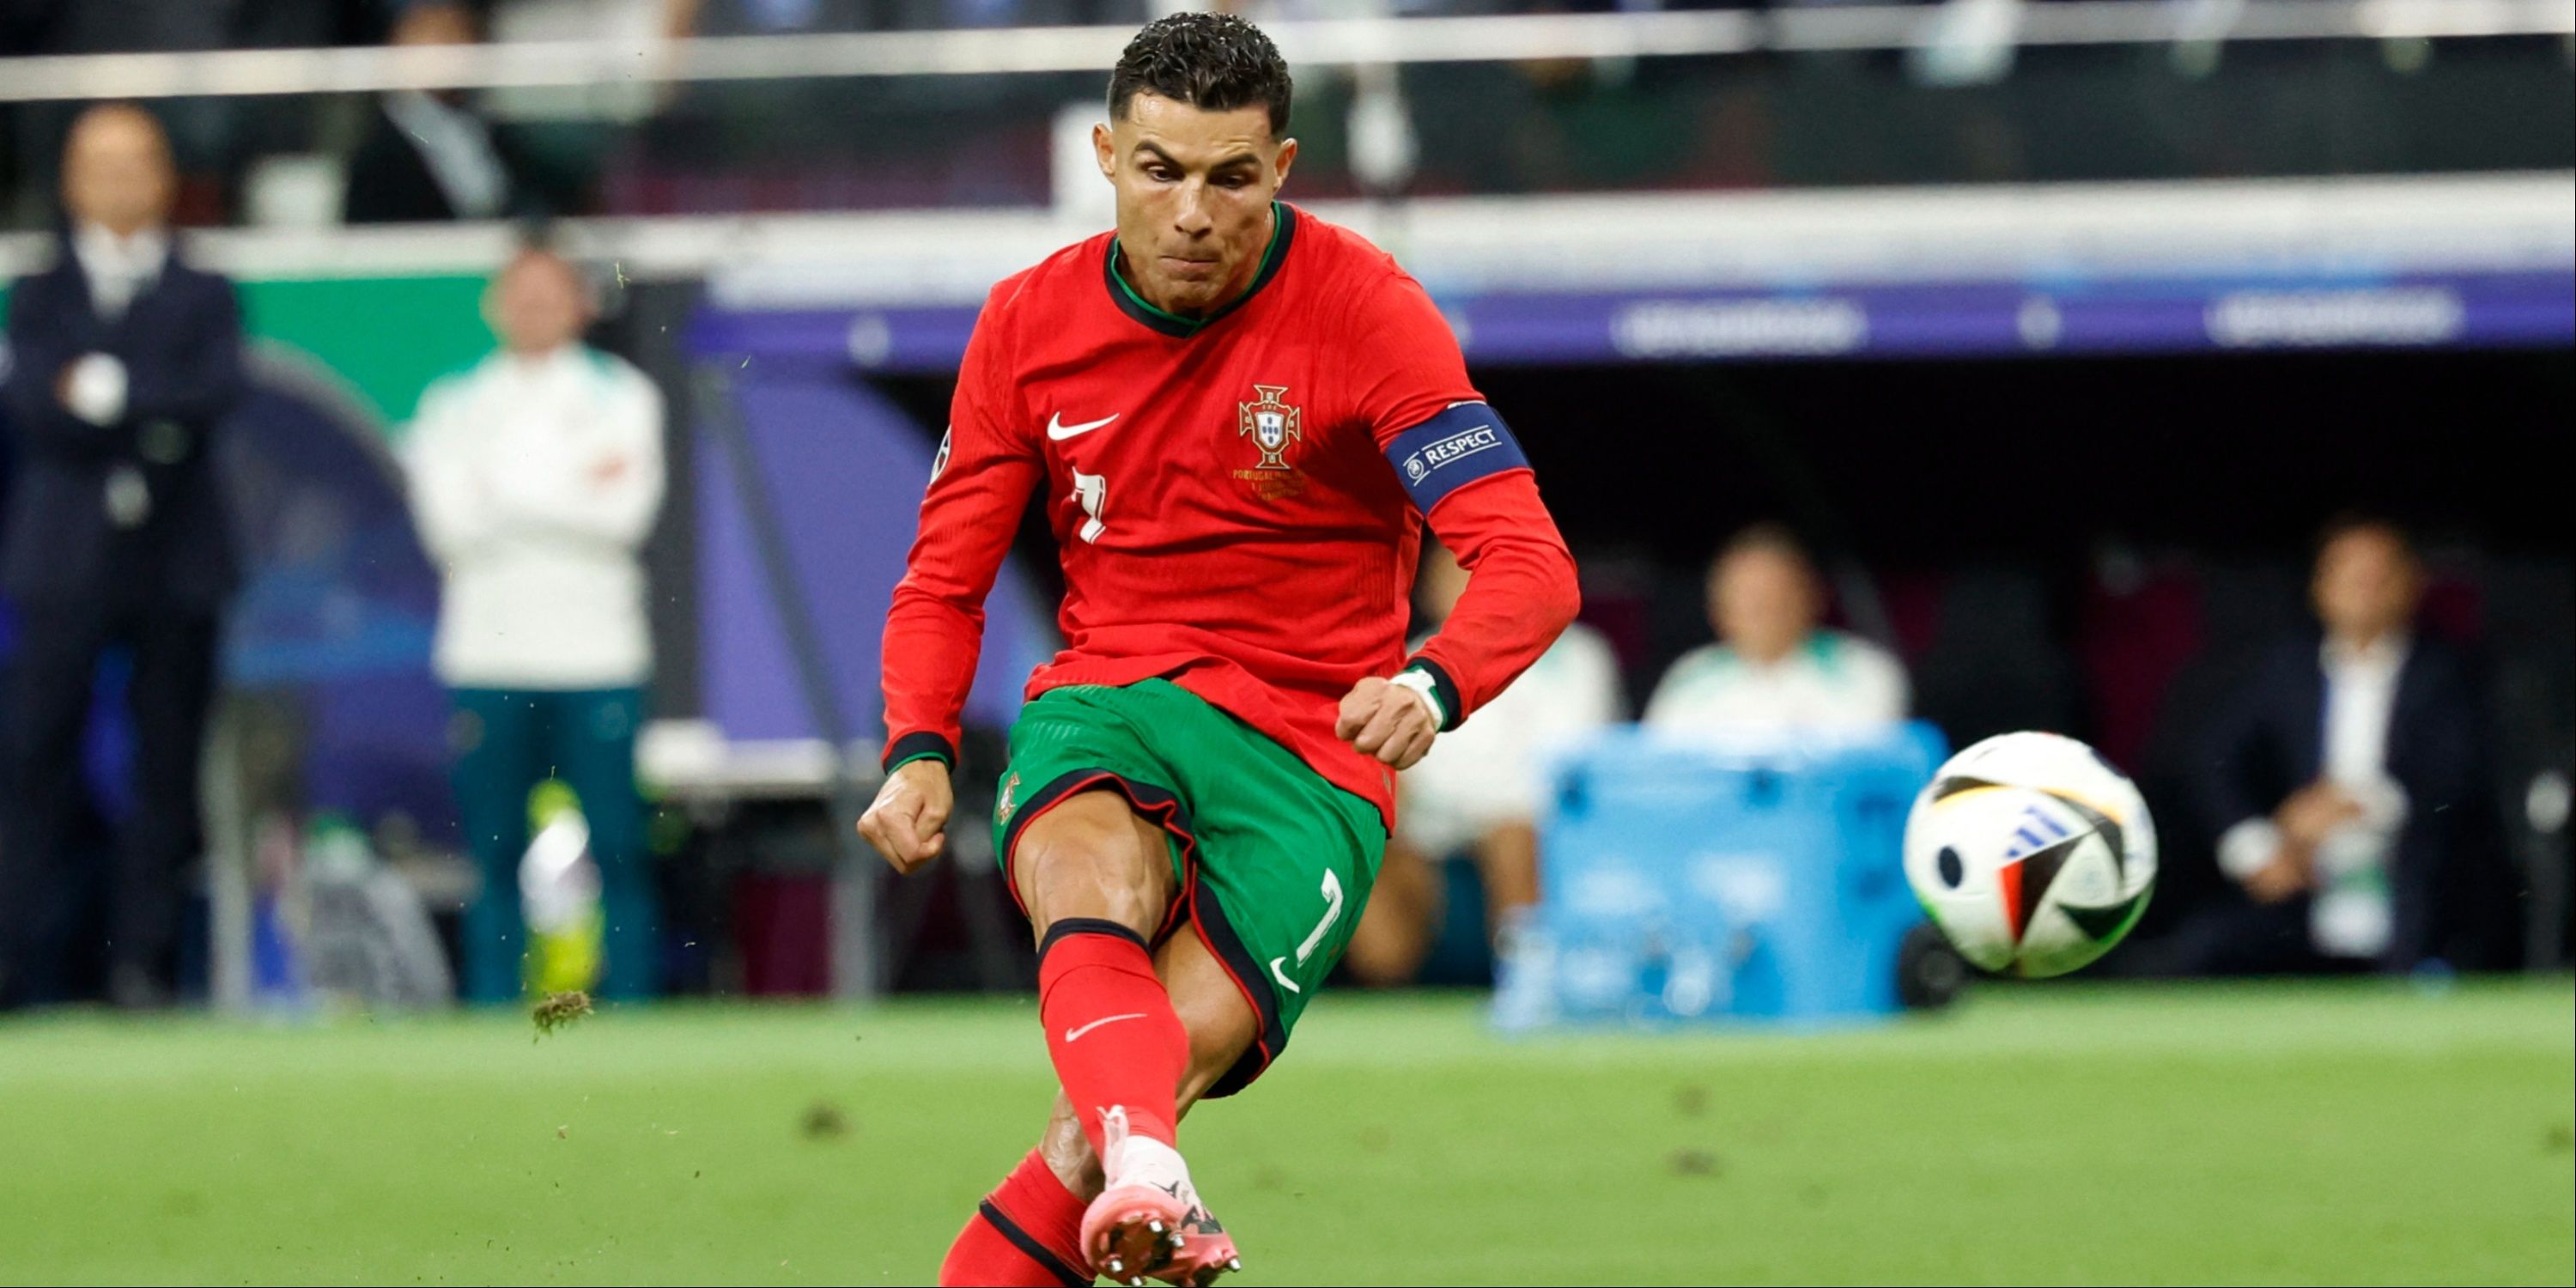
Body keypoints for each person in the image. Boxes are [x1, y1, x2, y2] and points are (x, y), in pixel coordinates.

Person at [855, 15, 1580, 1285]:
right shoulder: (1027, 323)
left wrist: (1435, 678)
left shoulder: (1369, 312)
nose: (1192, 211)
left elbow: (1528, 558)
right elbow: (944, 578)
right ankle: (1155, 1171)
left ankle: (1136, 1163)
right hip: (1112, 698)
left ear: (1282, 169)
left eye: (1229, 177)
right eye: (1160, 170)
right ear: (1106, 154)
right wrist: (918, 746)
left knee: (1096, 1125)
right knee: (1088, 881)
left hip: (1311, 757)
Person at [0, 104, 244, 1010]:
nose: (116, 182)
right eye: (96, 165)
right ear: (68, 182)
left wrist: (102, 393)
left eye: (134, 162)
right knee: (33, 763)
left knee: (167, 771)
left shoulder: (204, 290)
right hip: (63, 565)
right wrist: (148, 406)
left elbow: (214, 393)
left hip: (179, 563)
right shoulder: (39, 291)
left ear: (164, 175)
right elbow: (34, 405)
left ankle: (143, 968)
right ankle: (17, 963)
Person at [403, 246, 666, 1004]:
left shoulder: (625, 397)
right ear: (494, 305)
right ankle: (492, 1010)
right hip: (487, 655)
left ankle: (635, 1010)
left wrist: (504, 494)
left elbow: (623, 517)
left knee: (619, 845)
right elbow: (450, 525)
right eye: (522, 295)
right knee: (492, 851)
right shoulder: (454, 404)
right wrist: (567, 487)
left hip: (598, 657)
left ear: (582, 304)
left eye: (552, 295)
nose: (536, 309)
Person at [2167, 518, 2502, 974]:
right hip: (2303, 886)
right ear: (2319, 586)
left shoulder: (2450, 673)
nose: (2366, 588)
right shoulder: (2283, 671)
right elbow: (2214, 761)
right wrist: (2259, 847)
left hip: (2409, 883)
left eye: (2381, 574)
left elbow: (2463, 774)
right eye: (2350, 573)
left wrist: (2358, 806)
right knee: (2204, 949)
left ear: (2413, 583)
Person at [1343, 542, 1622, 987]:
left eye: (1470, 574)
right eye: (1445, 578)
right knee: (1360, 842)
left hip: (1533, 833)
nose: (1456, 588)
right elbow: (1394, 767)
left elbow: (1575, 768)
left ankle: (1531, 986)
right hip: (1433, 838)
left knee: (1511, 834)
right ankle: (1385, 1001)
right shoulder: (1408, 658)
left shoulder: (1577, 657)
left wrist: (1483, 815)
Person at [1643, 523, 1907, 732]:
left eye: (1774, 593)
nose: (1761, 609)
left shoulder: (1865, 671)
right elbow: (1661, 776)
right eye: (1745, 596)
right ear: (1717, 608)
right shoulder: (1688, 679)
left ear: (1811, 597)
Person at [343, 3, 527, 225]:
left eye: (456, 31)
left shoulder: (492, 132)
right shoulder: (374, 150)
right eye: (429, 33)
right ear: (396, 41)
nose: (445, 47)